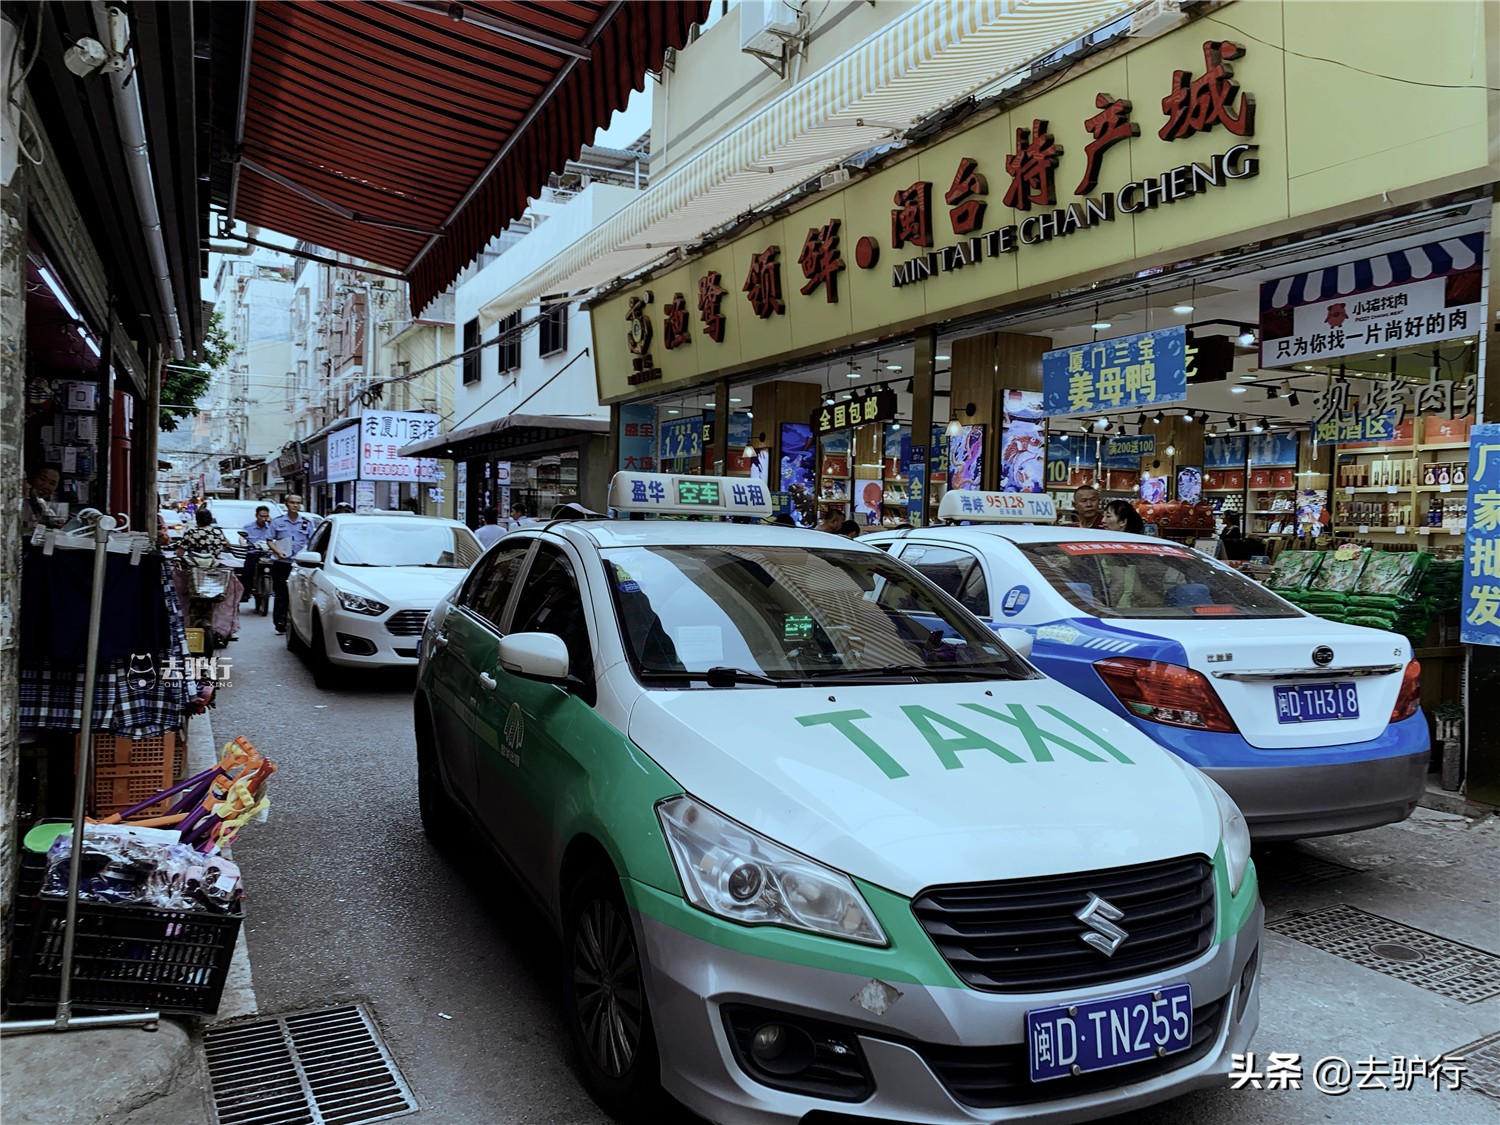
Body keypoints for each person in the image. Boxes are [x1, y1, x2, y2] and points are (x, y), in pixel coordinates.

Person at [267, 494, 317, 635]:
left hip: (300, 564)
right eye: (292, 502)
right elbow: (269, 539)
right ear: (286, 504)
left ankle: (296, 622)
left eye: (298, 503)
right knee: (281, 593)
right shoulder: (277, 522)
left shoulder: (307, 523)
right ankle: (280, 622)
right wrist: (277, 551)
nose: (295, 505)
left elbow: (312, 542)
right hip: (282, 563)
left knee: (300, 595)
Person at [239, 505, 275, 602]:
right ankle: (245, 593)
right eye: (261, 516)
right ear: (256, 515)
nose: (263, 519)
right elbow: (242, 537)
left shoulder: (271, 526)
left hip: (267, 553)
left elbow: (279, 535)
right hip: (253, 553)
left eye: (265, 516)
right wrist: (243, 543)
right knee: (247, 572)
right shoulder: (248, 527)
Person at [21, 465, 63, 534]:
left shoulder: (43, 505)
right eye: (42, 479)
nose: (46, 486)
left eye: (52, 483)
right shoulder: (23, 502)